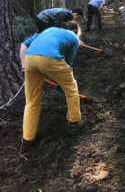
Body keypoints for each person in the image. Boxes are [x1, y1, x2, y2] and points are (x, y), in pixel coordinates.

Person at [19, 21, 86, 154]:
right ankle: (74, 121)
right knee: (71, 88)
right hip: (50, 59)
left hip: (30, 59)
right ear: (75, 31)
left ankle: (27, 140)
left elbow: (25, 44)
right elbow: (68, 61)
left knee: (31, 101)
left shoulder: (49, 30)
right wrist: (62, 82)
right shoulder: (73, 38)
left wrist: (24, 65)